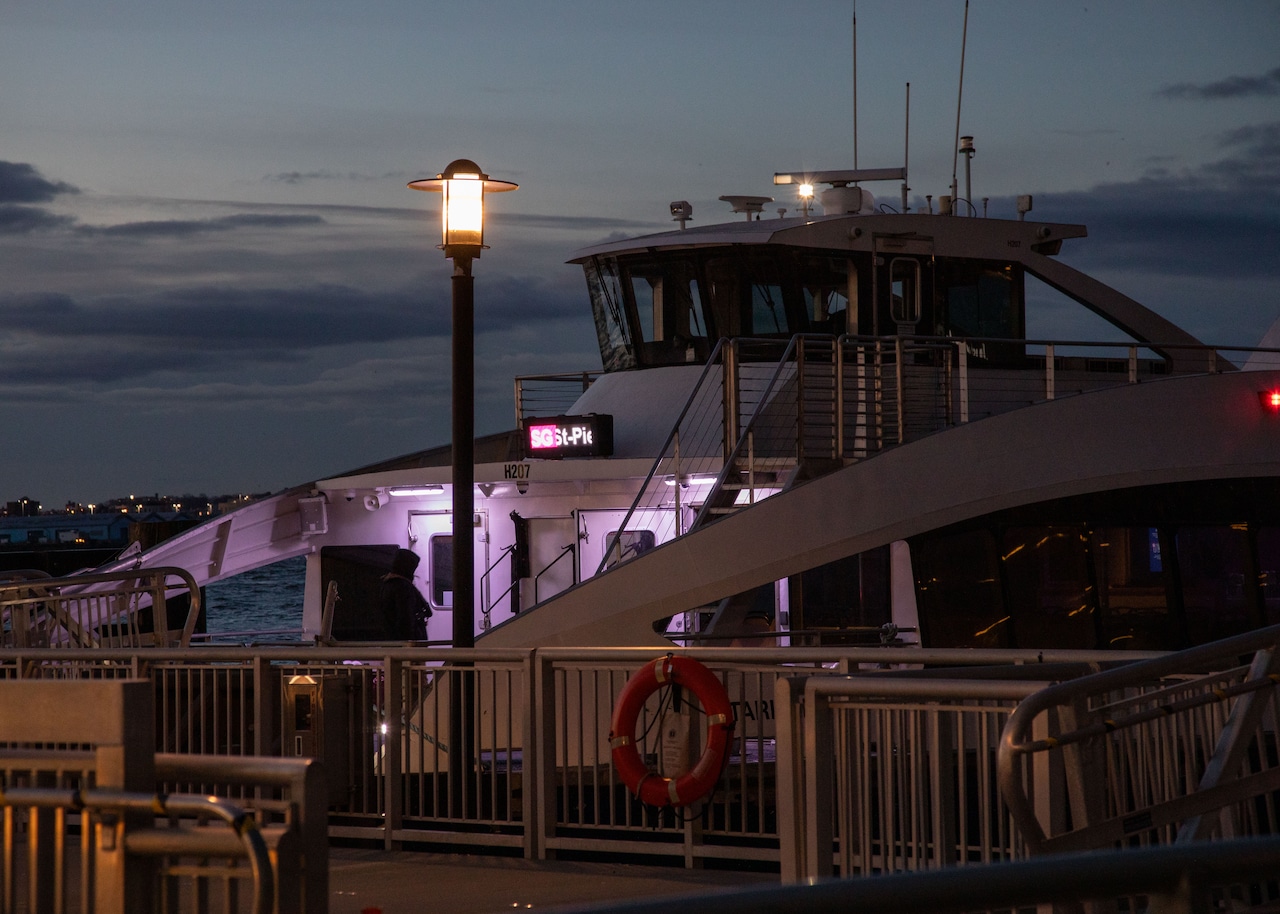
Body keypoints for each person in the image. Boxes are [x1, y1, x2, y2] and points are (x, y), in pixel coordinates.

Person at [379, 548, 431, 640]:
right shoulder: (404, 587)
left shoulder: (387, 584)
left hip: (393, 641)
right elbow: (405, 619)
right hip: (407, 645)